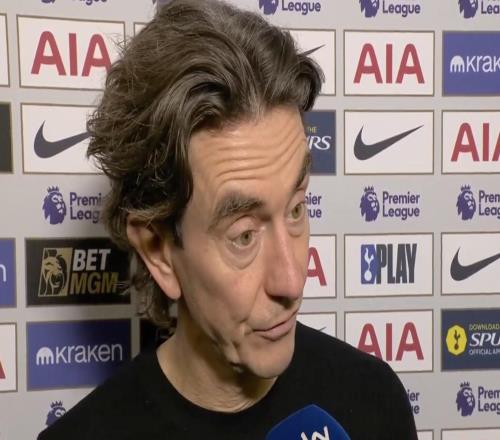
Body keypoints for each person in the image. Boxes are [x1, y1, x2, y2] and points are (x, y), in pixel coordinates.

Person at [39, 0, 418, 439]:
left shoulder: (373, 400)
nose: (292, 280)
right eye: (243, 236)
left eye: (296, 209)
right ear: (158, 251)